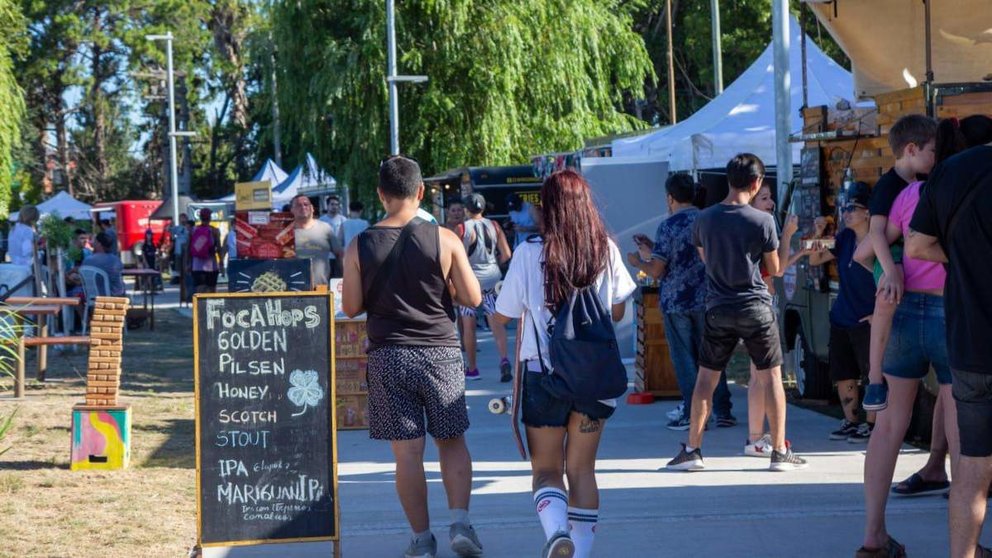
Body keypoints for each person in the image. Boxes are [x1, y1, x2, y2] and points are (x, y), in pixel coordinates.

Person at [341, 155, 484, 558]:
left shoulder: (359, 244)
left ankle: (421, 540)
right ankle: (460, 524)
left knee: (407, 453)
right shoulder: (445, 239)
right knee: (452, 441)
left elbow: (351, 307)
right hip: (440, 353)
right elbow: (473, 297)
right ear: (420, 192)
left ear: (380, 194)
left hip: (389, 357)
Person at [494, 169, 635, 558]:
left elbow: (505, 313)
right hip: (593, 377)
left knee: (545, 470)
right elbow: (619, 311)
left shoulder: (528, 253)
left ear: (549, 209)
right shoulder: (605, 249)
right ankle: (582, 551)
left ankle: (557, 533)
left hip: (544, 377)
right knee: (582, 470)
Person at [855, 117, 966, 558]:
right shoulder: (969, 192)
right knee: (962, 431)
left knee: (888, 427)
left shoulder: (907, 195)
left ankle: (873, 537)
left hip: (903, 313)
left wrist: (889, 277)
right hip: (952, 311)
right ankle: (965, 544)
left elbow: (865, 252)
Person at [667, 153, 807, 472]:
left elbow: (704, 258)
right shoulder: (763, 221)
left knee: (707, 378)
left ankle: (693, 449)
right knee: (771, 376)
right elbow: (773, 268)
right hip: (755, 306)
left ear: (729, 180)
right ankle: (779, 452)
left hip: (717, 306)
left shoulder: (704, 219)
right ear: (757, 183)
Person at [906, 115, 992, 558]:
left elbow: (916, 246)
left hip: (972, 345)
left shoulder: (951, 173)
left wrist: (962, 257)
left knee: (972, 471)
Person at [625, 173, 735, 432]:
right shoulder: (708, 218)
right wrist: (653, 247)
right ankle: (723, 410)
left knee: (685, 360)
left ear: (670, 197)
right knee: (711, 357)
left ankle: (692, 412)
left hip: (677, 302)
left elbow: (657, 269)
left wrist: (638, 261)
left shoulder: (669, 225)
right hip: (709, 298)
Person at [861, 115, 938, 412]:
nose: (935, 157)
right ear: (911, 149)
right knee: (886, 298)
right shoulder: (888, 185)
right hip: (891, 253)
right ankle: (874, 377)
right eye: (931, 151)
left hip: (905, 254)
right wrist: (889, 271)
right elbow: (876, 233)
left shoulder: (920, 183)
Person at [806, 183, 876, 443]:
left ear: (868, 212)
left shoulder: (879, 239)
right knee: (843, 373)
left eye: (853, 208)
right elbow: (814, 258)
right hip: (842, 316)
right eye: (844, 207)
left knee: (872, 374)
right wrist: (819, 230)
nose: (846, 213)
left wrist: (878, 315)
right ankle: (850, 421)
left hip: (868, 318)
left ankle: (871, 425)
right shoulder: (844, 237)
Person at [460, 193, 513, 382]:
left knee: (469, 323)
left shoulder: (463, 228)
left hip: (470, 282)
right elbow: (506, 253)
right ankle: (504, 359)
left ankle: (473, 369)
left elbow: (459, 257)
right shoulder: (495, 226)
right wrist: (494, 265)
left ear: (466, 209)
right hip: (492, 279)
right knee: (495, 320)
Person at [292, 194, 339, 288]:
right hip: (292, 289)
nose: (303, 207)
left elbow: (340, 254)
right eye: (298, 205)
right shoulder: (285, 232)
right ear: (292, 210)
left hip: (320, 288)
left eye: (306, 204)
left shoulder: (325, 228)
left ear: (312, 208)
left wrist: (342, 278)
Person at [188, 208, 221, 294]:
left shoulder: (193, 230)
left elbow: (189, 248)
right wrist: (221, 261)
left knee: (199, 289)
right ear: (210, 218)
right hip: (211, 265)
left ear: (200, 218)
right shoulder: (215, 230)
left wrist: (188, 264)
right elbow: (219, 248)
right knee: (211, 289)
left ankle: (200, 307)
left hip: (196, 265)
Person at [82, 232, 125, 296]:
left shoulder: (88, 260)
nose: (92, 243)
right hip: (115, 298)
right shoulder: (115, 260)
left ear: (99, 244)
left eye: (95, 241)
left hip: (94, 298)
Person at [320, 194, 347, 278]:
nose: (334, 206)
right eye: (332, 204)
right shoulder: (321, 220)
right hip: (326, 255)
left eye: (336, 204)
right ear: (327, 206)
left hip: (340, 256)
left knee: (339, 279)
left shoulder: (343, 220)